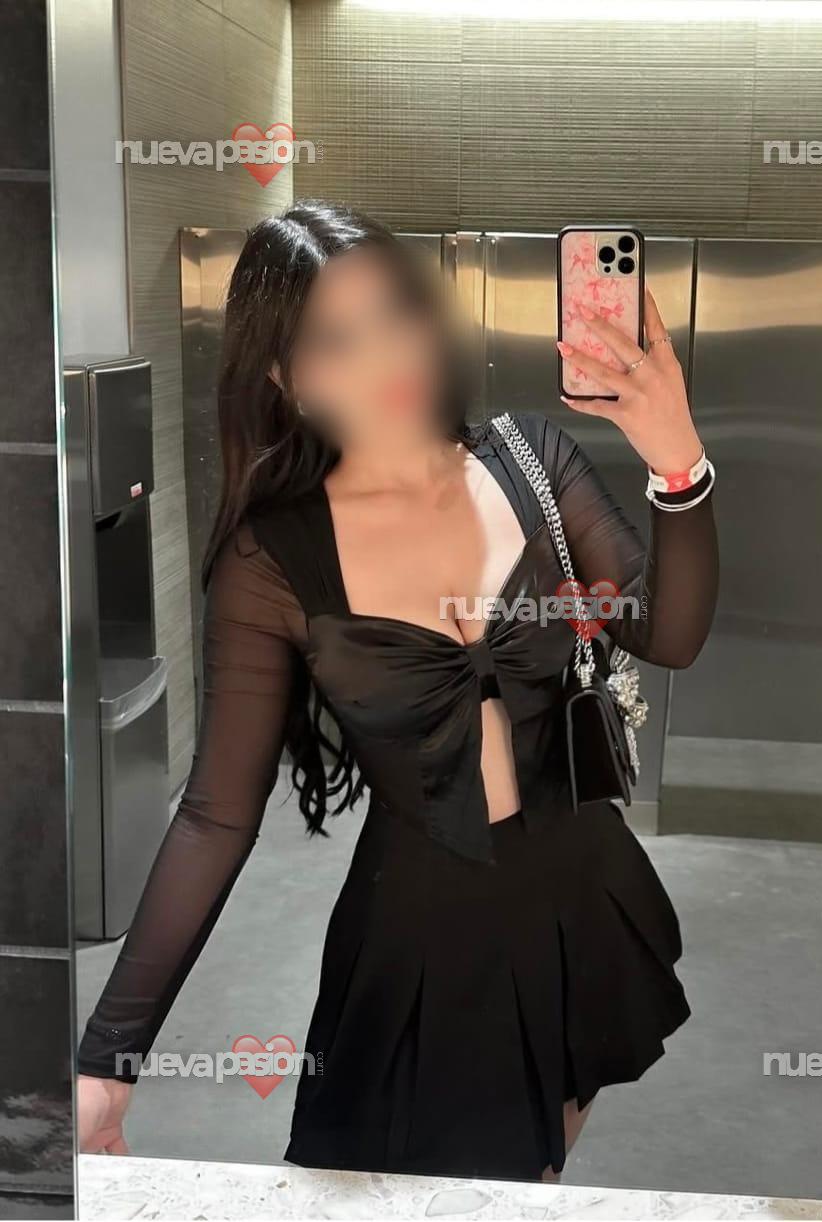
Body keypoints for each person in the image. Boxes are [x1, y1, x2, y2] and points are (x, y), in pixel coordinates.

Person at [77, 201, 719, 1182]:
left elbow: (668, 631)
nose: (386, 355)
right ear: (284, 379)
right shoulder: (269, 562)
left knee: (537, 1163)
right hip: (422, 935)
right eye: (337, 340)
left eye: (394, 313)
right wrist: (109, 1060)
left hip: (580, 889)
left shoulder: (532, 461)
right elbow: (215, 814)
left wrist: (678, 461)